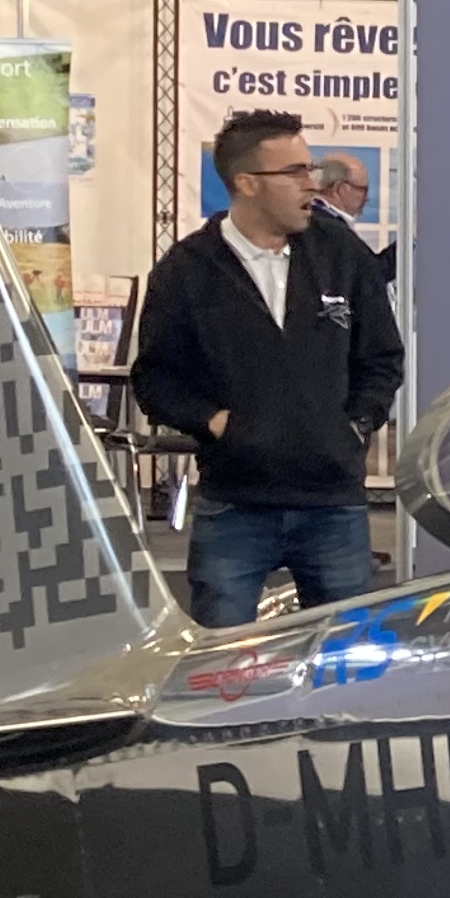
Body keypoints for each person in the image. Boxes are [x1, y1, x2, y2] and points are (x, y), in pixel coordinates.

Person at [133, 111, 403, 630]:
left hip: (333, 504)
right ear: (247, 183)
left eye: (311, 169)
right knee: (222, 660)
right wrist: (218, 424)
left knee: (342, 657)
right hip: (236, 504)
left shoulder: (341, 254)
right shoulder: (187, 270)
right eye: (295, 172)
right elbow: (156, 378)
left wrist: (355, 423)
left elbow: (382, 357)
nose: (312, 184)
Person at [312, 148, 395, 288]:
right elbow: (371, 275)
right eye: (362, 190)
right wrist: (411, 238)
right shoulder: (330, 230)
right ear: (340, 189)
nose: (367, 198)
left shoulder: (320, 221)